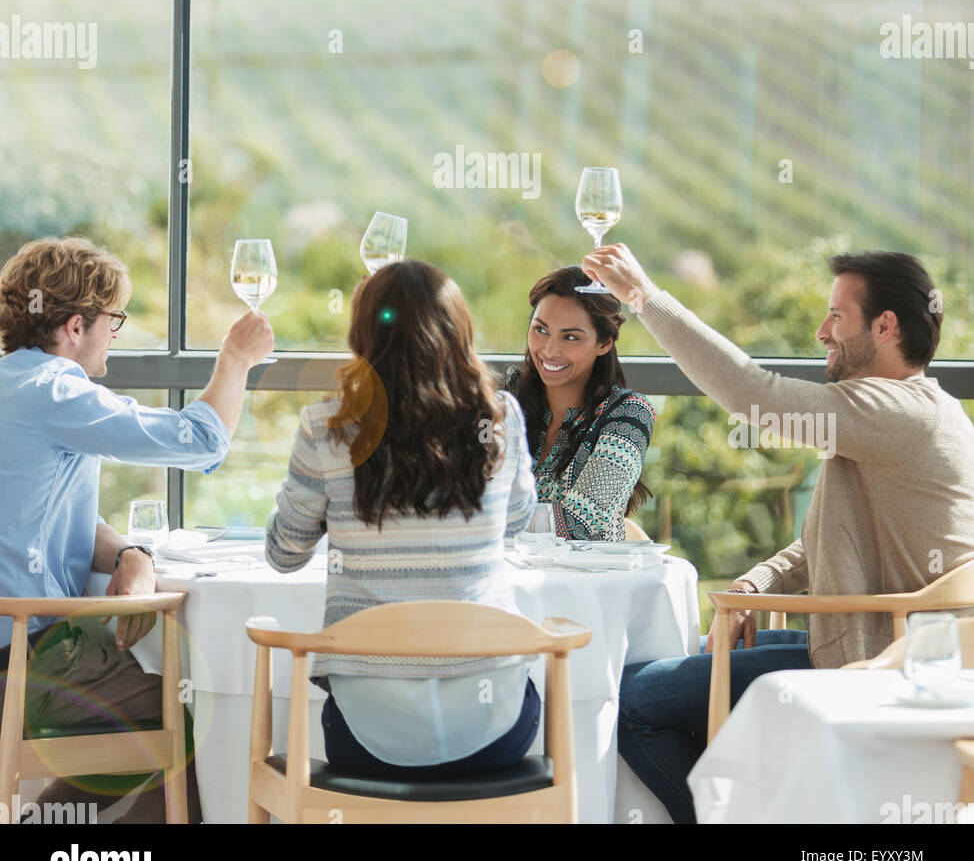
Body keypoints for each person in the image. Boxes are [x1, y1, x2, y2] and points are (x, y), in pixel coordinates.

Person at [580, 243, 974, 824]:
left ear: (885, 326)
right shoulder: (916, 411)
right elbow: (827, 541)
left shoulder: (894, 412)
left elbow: (753, 394)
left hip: (873, 661)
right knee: (670, 673)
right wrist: (754, 586)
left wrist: (644, 297)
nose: (822, 331)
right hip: (862, 642)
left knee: (632, 701)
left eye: (837, 316)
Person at [0, 235, 273, 823]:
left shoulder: (9, 384)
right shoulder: (57, 389)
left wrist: (130, 551)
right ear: (76, 326)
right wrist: (236, 359)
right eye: (113, 322)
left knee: (150, 722)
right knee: (181, 722)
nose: (115, 337)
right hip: (22, 664)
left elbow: (38, 519)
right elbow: (198, 441)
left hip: (15, 650)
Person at [266, 259, 540, 778]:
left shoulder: (326, 428)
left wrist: (332, 505)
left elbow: (283, 554)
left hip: (367, 734)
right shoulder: (502, 419)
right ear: (459, 334)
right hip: (494, 729)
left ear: (363, 334)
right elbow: (517, 520)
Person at [503, 266, 655, 541]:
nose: (549, 350)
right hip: (502, 578)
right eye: (541, 330)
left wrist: (484, 517)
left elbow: (581, 525)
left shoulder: (629, 415)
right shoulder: (505, 399)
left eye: (571, 337)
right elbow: (458, 487)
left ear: (604, 342)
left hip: (592, 582)